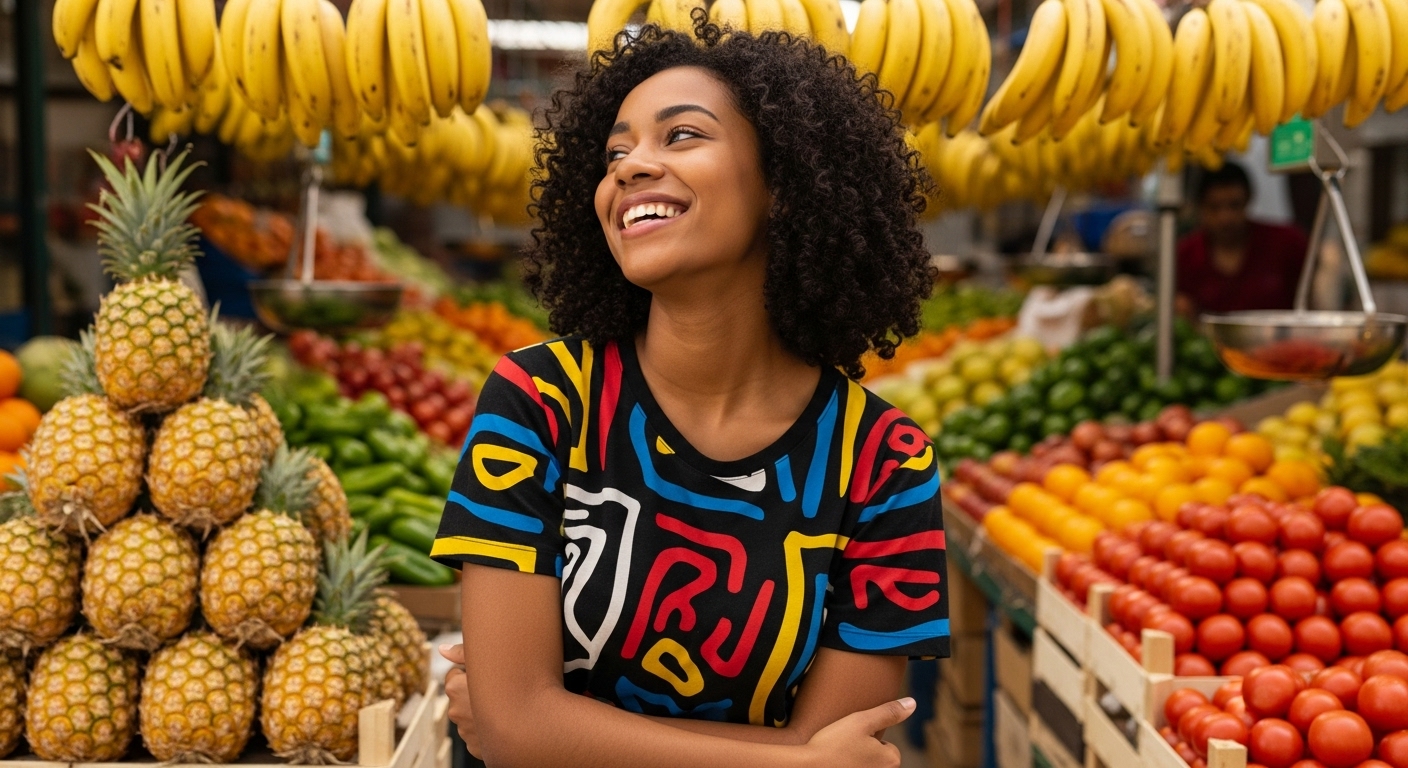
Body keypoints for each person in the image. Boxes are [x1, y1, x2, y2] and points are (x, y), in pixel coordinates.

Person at [430, 16, 950, 768]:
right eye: (615, 152)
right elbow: (516, 727)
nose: (631, 167)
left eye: (680, 137)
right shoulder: (542, 400)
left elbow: (525, 723)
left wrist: (559, 729)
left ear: (784, 182)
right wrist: (789, 760)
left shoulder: (883, 463)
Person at [1177, 161, 1309, 314]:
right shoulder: (1186, 254)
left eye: (1234, 205)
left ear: (1248, 200)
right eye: (1215, 207)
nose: (1225, 218)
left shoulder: (1287, 242)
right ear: (1200, 207)